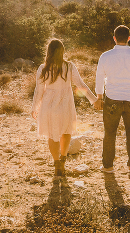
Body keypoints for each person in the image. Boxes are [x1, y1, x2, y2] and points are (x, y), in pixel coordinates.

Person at [93, 25, 130, 173]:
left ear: (114, 38)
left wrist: (99, 97)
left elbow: (99, 78)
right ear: (129, 38)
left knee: (110, 132)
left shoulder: (105, 56)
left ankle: (108, 166)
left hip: (112, 99)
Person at [32, 39, 97, 177]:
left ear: (48, 51)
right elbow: (80, 84)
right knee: (66, 132)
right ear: (62, 51)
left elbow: (39, 91)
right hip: (66, 105)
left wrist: (34, 107)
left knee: (52, 135)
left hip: (49, 105)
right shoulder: (69, 66)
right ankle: (63, 160)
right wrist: (94, 100)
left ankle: (57, 165)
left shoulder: (42, 68)